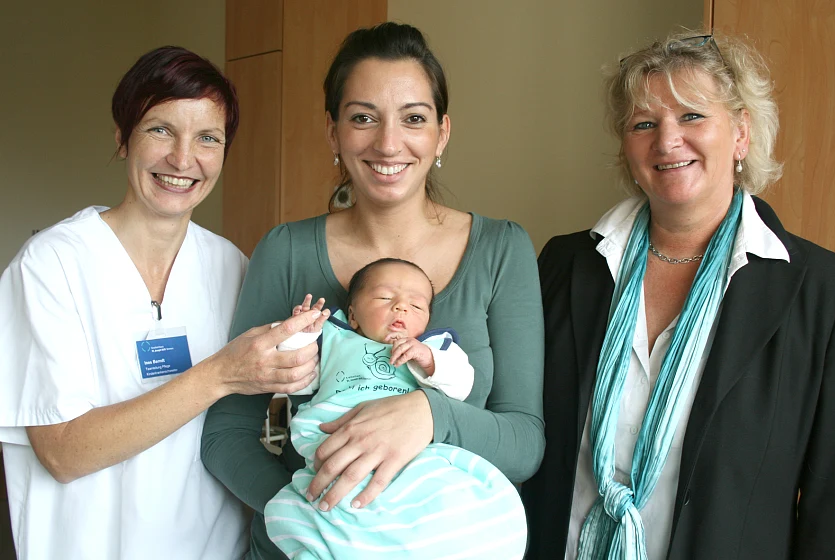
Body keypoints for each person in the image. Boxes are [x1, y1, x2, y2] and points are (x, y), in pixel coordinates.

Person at [201, 22, 545, 559]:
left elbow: (524, 442)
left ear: (442, 133)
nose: (388, 143)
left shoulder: (501, 250)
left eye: (413, 118)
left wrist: (429, 415)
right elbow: (228, 434)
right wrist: (329, 525)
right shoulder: (286, 252)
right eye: (363, 118)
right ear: (333, 133)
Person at [522, 30, 835, 559]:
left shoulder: (821, 292)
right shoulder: (566, 264)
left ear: (741, 132)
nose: (667, 142)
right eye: (644, 124)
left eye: (692, 116)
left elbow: (831, 503)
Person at [0, 46, 327, 559]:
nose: (182, 158)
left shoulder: (232, 266)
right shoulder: (51, 266)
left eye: (207, 138)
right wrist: (220, 373)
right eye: (160, 130)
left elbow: (255, 427)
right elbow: (62, 452)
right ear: (122, 136)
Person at [266, 258, 527, 559]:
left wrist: (428, 359)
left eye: (416, 306)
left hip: (413, 454)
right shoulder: (334, 338)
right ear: (352, 315)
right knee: (326, 506)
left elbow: (462, 385)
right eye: (384, 298)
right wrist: (299, 337)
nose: (401, 307)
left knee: (449, 497)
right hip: (336, 439)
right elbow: (294, 383)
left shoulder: (435, 347)